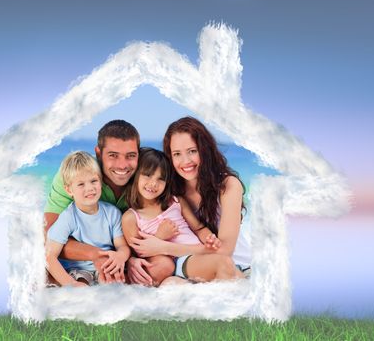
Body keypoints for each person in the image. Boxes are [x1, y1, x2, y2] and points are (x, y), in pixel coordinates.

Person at [44, 120, 174, 284]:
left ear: (138, 155)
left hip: (119, 258)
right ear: (99, 153)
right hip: (82, 262)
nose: (122, 165)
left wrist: (128, 259)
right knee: (37, 272)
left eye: (130, 156)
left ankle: (115, 293)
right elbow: (48, 237)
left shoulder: (146, 180)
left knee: (164, 265)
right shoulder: (76, 175)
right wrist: (95, 254)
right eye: (113, 155)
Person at [129, 117, 251, 279]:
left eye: (192, 151)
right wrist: (132, 260)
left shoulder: (228, 185)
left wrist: (163, 247)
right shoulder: (171, 192)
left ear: (204, 150)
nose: (185, 161)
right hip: (196, 264)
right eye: (177, 154)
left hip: (239, 265)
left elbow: (225, 250)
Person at [123, 148, 241, 285]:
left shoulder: (176, 202)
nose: (153, 183)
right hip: (181, 260)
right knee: (224, 263)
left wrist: (210, 240)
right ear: (135, 175)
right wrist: (160, 236)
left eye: (161, 179)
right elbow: (139, 253)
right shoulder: (131, 217)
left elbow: (198, 228)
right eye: (147, 175)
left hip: (198, 255)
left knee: (237, 275)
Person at [45, 151, 130, 286]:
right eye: (81, 184)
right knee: (83, 289)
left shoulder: (112, 213)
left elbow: (123, 246)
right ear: (69, 190)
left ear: (100, 182)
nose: (89, 188)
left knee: (119, 286)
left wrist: (120, 256)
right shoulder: (68, 217)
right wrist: (70, 283)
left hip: (107, 266)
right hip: (79, 270)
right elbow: (49, 256)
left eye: (93, 181)